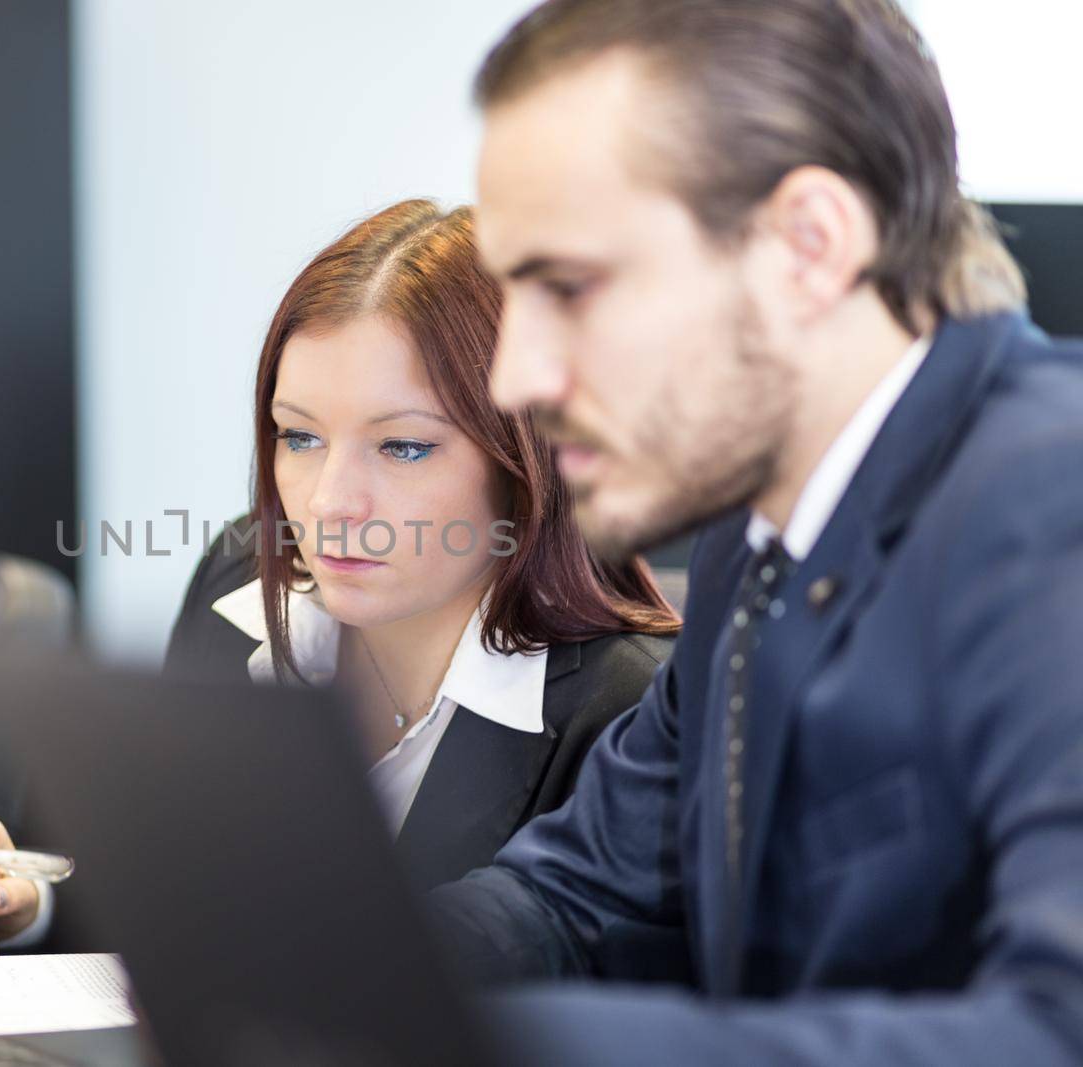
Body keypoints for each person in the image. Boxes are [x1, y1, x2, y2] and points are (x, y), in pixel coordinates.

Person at [420, 0, 1083, 1063]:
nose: (515, 378)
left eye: (570, 287)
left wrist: (483, 1040)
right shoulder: (753, 542)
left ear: (807, 247)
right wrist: (335, 972)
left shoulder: (1051, 505)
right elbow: (584, 890)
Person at [0, 200, 682, 957]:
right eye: (299, 436)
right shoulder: (240, 585)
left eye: (403, 446)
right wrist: (20, 895)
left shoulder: (627, 709)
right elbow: (171, 895)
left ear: (522, 464)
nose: (331, 502)